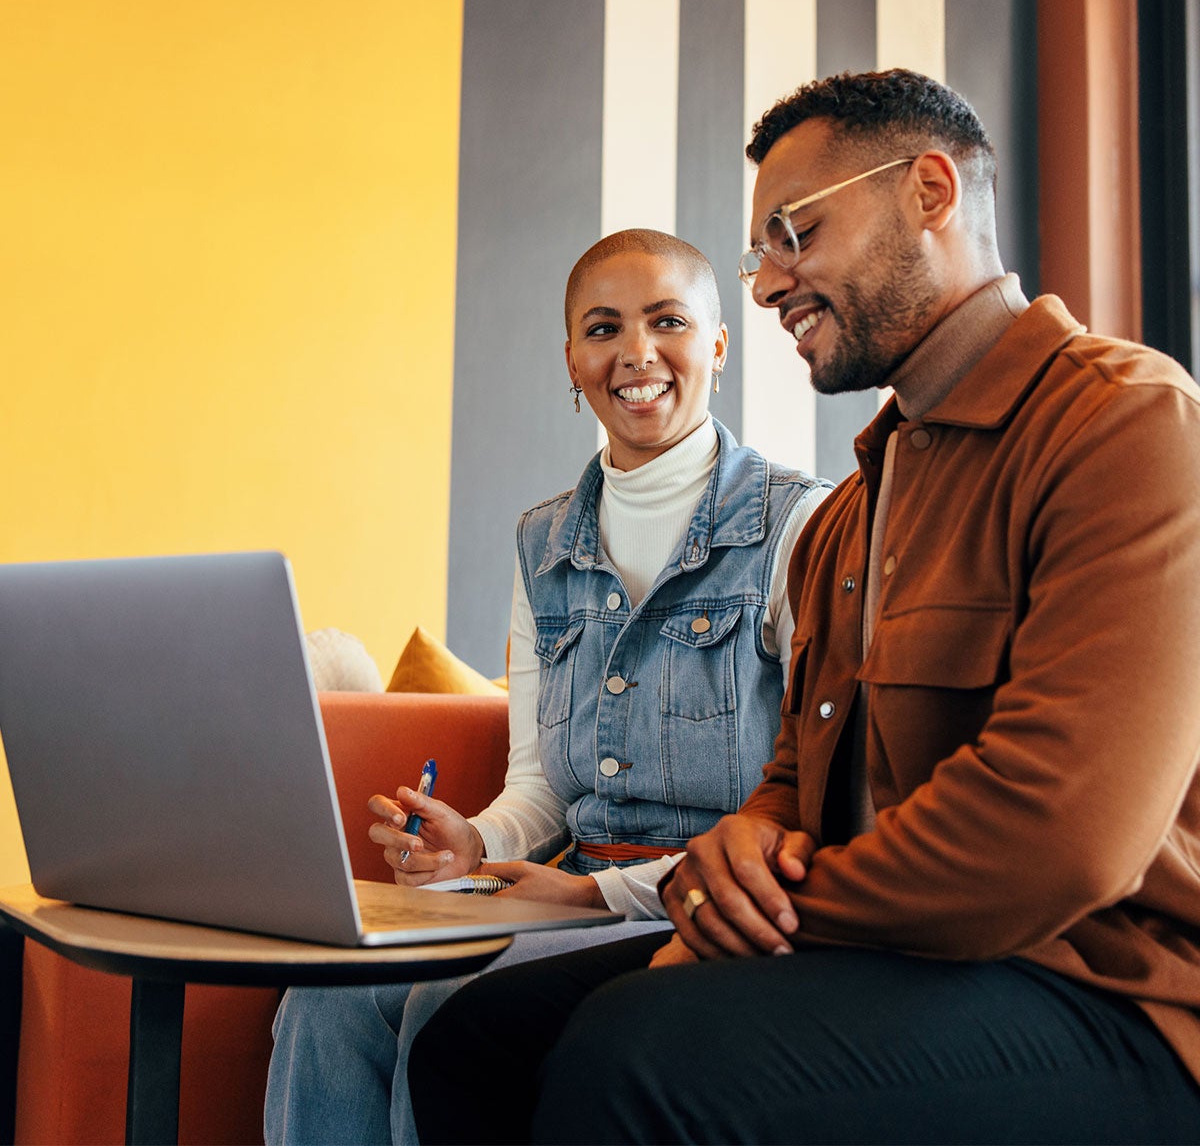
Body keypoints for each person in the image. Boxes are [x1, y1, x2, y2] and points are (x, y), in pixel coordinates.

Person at [408, 70, 1200, 1145]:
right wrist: (742, 846)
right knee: (477, 1036)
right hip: (890, 955)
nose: (770, 281)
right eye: (761, 252)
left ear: (929, 191)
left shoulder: (1126, 424)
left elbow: (1064, 836)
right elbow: (798, 773)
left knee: (640, 1057)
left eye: (793, 233)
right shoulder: (854, 511)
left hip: (1107, 992)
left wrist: (746, 908)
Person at [264, 228, 831, 1144]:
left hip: (703, 898)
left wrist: (588, 897)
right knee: (326, 999)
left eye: (669, 322)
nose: (636, 354)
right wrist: (470, 842)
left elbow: (810, 797)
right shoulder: (542, 542)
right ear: (572, 359)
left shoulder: (800, 524)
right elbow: (539, 785)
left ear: (718, 346)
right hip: (552, 889)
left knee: (445, 1007)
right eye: (603, 329)